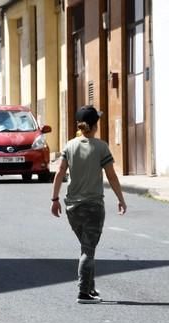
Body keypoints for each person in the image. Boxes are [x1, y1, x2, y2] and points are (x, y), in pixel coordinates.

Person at [50, 105, 127, 304]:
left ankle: (90, 287)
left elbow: (59, 173)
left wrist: (55, 199)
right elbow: (111, 175)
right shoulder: (101, 147)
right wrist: (120, 198)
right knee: (88, 249)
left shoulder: (69, 146)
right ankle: (83, 292)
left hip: (72, 207)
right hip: (93, 206)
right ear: (94, 125)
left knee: (86, 246)